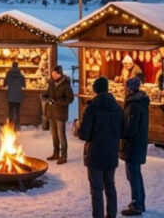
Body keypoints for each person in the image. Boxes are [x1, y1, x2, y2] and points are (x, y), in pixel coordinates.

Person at [79, 77, 124, 218]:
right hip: (111, 153)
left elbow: (84, 134)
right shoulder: (118, 108)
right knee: (110, 185)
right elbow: (122, 131)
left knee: (97, 188)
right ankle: (111, 215)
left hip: (95, 154)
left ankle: (98, 215)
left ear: (96, 89)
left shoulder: (92, 109)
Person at [121, 77, 149, 216]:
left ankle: (137, 205)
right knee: (136, 174)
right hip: (137, 145)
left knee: (133, 175)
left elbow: (130, 129)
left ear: (130, 89)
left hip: (133, 146)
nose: (124, 89)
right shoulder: (138, 103)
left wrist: (121, 133)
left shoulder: (134, 106)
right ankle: (139, 202)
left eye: (126, 87)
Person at [43, 65, 74, 164]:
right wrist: (44, 97)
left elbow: (70, 99)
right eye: (52, 73)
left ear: (59, 74)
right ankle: (56, 153)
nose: (53, 74)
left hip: (60, 114)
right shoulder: (51, 83)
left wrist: (57, 101)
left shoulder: (65, 85)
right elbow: (47, 93)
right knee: (54, 134)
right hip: (51, 113)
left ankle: (64, 156)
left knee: (61, 135)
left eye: (55, 73)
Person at [5, 61, 26, 127]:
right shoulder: (21, 75)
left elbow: (5, 83)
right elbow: (24, 85)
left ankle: (10, 126)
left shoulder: (8, 74)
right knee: (17, 112)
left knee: (10, 112)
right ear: (17, 66)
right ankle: (17, 126)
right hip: (18, 96)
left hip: (10, 96)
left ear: (12, 66)